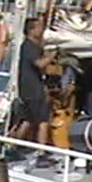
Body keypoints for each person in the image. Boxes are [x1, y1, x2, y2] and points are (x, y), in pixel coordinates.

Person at [15, 18, 59, 159]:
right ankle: (41, 151)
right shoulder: (29, 46)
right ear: (32, 30)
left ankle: (13, 145)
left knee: (28, 119)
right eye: (40, 28)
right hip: (34, 89)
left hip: (27, 88)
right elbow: (40, 64)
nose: (42, 31)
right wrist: (52, 55)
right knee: (43, 121)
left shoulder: (31, 46)